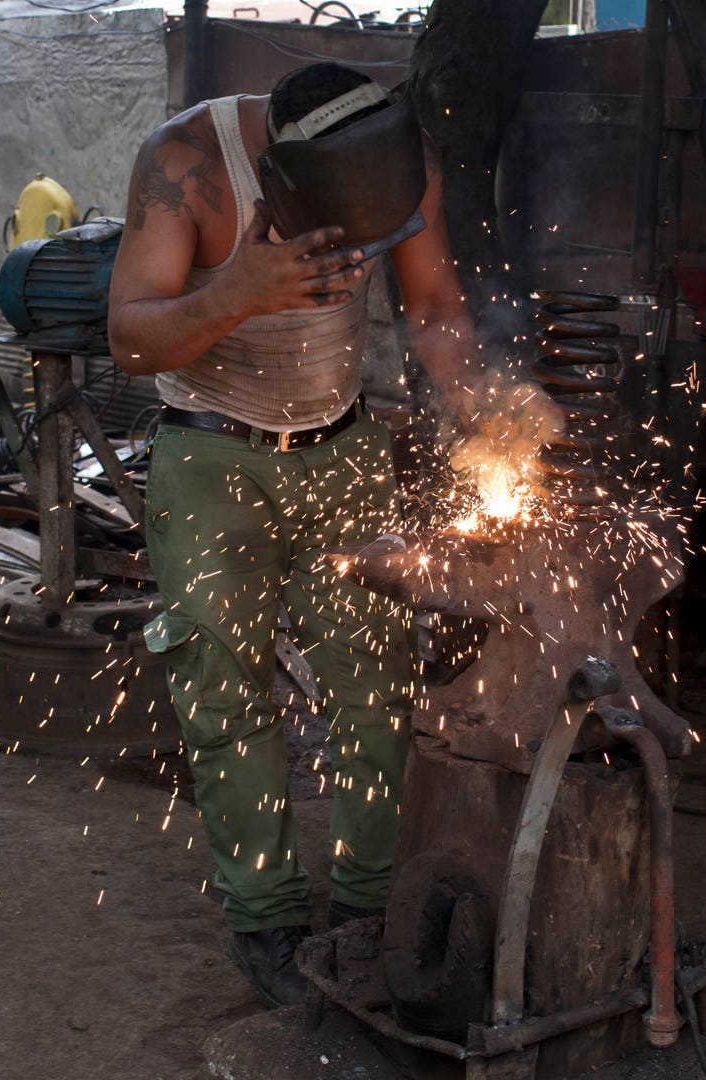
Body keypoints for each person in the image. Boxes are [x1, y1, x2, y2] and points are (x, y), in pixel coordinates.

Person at [106, 63, 478, 1008]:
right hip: (212, 455)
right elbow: (131, 340)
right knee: (225, 690)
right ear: (282, 176)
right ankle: (266, 919)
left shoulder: (403, 161)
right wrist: (240, 290)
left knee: (377, 679)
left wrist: (494, 418)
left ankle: (365, 908)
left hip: (344, 446)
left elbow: (432, 306)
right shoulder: (185, 164)